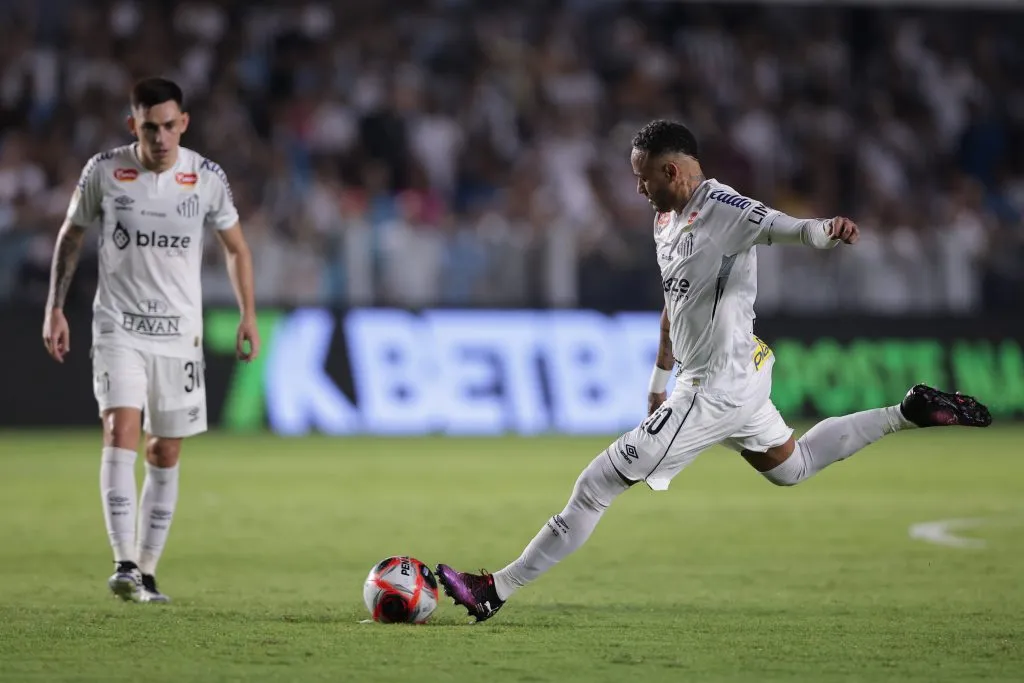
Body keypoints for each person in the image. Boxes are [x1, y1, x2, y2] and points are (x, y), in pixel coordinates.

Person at [434, 119, 992, 622]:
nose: (638, 188)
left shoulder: (726, 208)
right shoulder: (665, 220)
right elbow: (672, 308)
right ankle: (906, 412)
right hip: (733, 375)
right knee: (792, 466)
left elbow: (787, 227)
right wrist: (658, 383)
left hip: (715, 388)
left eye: (643, 177)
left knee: (596, 485)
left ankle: (493, 590)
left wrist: (827, 230)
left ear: (671, 171)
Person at [41, 77, 259, 603]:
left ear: (183, 123)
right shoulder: (104, 171)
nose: (159, 137)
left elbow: (236, 248)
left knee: (164, 449)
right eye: (148, 128)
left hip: (180, 334)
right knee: (120, 428)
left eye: (167, 126)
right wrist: (55, 306)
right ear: (132, 125)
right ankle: (123, 564)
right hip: (119, 325)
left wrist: (248, 315)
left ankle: (147, 569)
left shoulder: (206, 178)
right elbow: (71, 234)